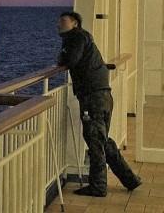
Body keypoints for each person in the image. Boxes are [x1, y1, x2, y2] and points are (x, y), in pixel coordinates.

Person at [57, 11, 141, 197]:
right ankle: (130, 179)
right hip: (102, 95)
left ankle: (98, 186)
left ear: (75, 24)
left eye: (63, 21)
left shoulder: (77, 38)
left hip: (92, 97)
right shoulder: (82, 38)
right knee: (102, 140)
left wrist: (62, 56)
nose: (59, 25)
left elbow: (70, 60)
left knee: (95, 141)